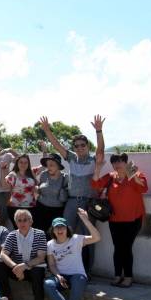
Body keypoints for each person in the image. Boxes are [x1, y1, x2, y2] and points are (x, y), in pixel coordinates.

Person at [39, 115, 105, 273]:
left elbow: (101, 149)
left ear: (87, 146)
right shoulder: (71, 158)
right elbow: (57, 145)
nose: (80, 147)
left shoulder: (93, 160)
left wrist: (98, 131)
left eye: (82, 145)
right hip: (71, 202)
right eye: (76, 145)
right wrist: (47, 130)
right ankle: (62, 268)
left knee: (86, 237)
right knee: (64, 233)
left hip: (89, 203)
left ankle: (85, 271)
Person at [92, 152, 148, 288]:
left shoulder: (136, 174)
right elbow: (95, 185)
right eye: (114, 162)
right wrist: (98, 168)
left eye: (120, 161)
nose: (117, 164)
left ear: (126, 162)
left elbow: (144, 188)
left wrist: (133, 174)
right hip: (115, 219)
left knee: (126, 247)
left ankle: (128, 277)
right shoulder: (111, 177)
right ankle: (118, 275)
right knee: (118, 248)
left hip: (133, 219)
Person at [44, 211, 101, 300]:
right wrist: (58, 276)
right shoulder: (50, 244)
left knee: (79, 280)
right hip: (61, 276)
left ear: (67, 229)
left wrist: (86, 220)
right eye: (57, 228)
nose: (60, 230)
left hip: (77, 274)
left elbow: (97, 237)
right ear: (53, 230)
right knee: (48, 284)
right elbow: (52, 265)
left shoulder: (76, 239)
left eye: (62, 227)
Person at [0, 209, 48, 300]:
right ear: (16, 222)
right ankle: (7, 298)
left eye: (25, 220)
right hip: (17, 269)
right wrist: (15, 267)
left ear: (31, 221)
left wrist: (24, 266)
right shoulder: (12, 235)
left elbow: (41, 257)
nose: (22, 223)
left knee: (37, 272)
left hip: (33, 268)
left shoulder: (40, 234)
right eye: (19, 220)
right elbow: (3, 254)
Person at [34, 153, 68, 235]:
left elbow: (66, 196)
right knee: (39, 233)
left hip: (56, 212)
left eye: (51, 165)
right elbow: (39, 187)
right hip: (40, 208)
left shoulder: (65, 177)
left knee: (52, 235)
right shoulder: (44, 174)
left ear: (58, 166)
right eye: (47, 165)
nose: (48, 167)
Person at [1, 154, 37, 225]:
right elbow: (4, 186)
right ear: (17, 163)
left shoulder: (32, 173)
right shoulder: (13, 174)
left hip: (31, 207)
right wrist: (3, 170)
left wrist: (44, 151)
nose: (23, 164)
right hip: (15, 207)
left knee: (29, 229)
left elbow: (44, 166)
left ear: (28, 163)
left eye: (25, 162)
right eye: (21, 162)